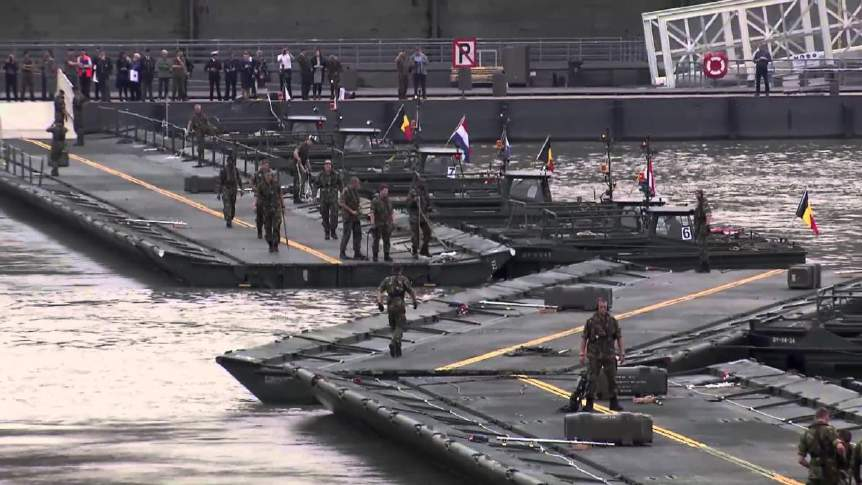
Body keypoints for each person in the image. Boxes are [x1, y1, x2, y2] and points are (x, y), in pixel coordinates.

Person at [579, 296, 625, 412]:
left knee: (612, 379)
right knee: (592, 379)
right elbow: (585, 338)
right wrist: (582, 353)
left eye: (605, 307)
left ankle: (614, 403)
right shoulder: (590, 322)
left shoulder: (613, 321)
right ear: (597, 308)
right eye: (601, 307)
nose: (603, 309)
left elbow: (619, 338)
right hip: (594, 354)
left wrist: (621, 352)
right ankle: (589, 403)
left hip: (609, 354)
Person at [377, 265, 417, 358]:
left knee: (393, 325)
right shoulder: (403, 279)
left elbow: (379, 290)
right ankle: (393, 342)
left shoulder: (387, 279)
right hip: (399, 303)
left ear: (392, 270)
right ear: (401, 270)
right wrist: (414, 301)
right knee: (400, 325)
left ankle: (398, 347)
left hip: (389, 304)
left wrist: (380, 302)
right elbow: (411, 291)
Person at [799, 407, 844, 485]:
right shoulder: (830, 430)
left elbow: (801, 460)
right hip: (829, 472)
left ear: (816, 417)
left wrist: (812, 468)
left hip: (814, 474)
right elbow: (840, 447)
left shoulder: (806, 433)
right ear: (826, 416)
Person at [257, 170, 284, 253]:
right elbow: (259, 197)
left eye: (270, 175)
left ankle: (276, 244)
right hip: (267, 209)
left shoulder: (276, 185)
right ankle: (270, 244)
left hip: (276, 208)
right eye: (267, 175)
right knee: (268, 228)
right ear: (264, 176)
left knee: (276, 227)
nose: (268, 177)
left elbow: (280, 195)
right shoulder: (261, 186)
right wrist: (258, 205)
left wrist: (283, 205)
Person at [339, 176, 365, 260]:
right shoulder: (346, 191)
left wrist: (359, 209)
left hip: (355, 216)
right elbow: (342, 203)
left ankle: (357, 252)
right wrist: (351, 211)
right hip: (348, 216)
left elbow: (357, 202)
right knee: (347, 234)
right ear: (353, 183)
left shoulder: (355, 191)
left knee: (358, 234)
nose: (359, 185)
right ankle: (342, 253)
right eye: (357, 183)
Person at [407, 174, 432, 258]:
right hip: (415, 216)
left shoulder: (425, 191)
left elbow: (428, 201)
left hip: (423, 216)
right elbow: (408, 203)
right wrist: (414, 201)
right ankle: (414, 251)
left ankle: (424, 250)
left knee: (428, 232)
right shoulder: (413, 192)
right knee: (415, 236)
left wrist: (429, 207)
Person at [316, 159, 341, 240]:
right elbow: (315, 185)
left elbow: (341, 185)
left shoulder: (336, 175)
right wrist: (314, 195)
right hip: (324, 197)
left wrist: (343, 195)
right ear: (324, 166)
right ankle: (327, 232)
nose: (328, 166)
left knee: (334, 215)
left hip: (333, 197)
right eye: (326, 164)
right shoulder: (320, 175)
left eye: (329, 164)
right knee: (324, 215)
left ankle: (333, 231)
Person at [218, 154, 243, 228]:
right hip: (226, 188)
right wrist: (219, 193)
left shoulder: (235, 170)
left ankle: (230, 217)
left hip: (233, 188)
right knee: (227, 205)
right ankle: (228, 219)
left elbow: (239, 179)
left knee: (232, 205)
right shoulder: (224, 170)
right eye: (229, 161)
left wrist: (241, 189)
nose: (230, 163)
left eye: (231, 161)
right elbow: (221, 182)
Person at [370, 184, 394, 262]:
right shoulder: (375, 201)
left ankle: (386, 255)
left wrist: (392, 222)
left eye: (387, 191)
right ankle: (375, 255)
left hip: (386, 223)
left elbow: (391, 212)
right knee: (376, 240)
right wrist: (372, 223)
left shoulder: (388, 200)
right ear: (381, 191)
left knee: (387, 240)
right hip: (378, 223)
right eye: (384, 191)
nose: (386, 193)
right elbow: (372, 212)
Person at [252, 160, 271, 239]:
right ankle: (259, 231)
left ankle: (268, 232)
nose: (266, 166)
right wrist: (254, 188)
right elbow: (252, 182)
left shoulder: (271, 174)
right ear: (262, 165)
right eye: (265, 165)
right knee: (259, 217)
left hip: (268, 198)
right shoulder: (257, 174)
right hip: (259, 197)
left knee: (267, 216)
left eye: (267, 165)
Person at [693, 189, 711, 273]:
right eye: (696, 194)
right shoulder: (699, 203)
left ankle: (704, 266)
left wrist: (707, 225)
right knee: (701, 246)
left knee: (702, 246)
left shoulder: (704, 203)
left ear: (701, 194)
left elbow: (708, 215)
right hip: (699, 226)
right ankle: (704, 265)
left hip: (702, 226)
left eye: (698, 194)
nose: (696, 195)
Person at [292, 137, 312, 203]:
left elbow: (306, 159)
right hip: (296, 165)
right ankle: (296, 198)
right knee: (298, 181)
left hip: (302, 165)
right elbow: (295, 153)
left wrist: (309, 167)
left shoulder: (308, 148)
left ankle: (301, 194)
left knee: (302, 180)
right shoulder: (302, 145)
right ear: (307, 140)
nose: (311, 143)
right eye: (310, 141)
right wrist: (298, 159)